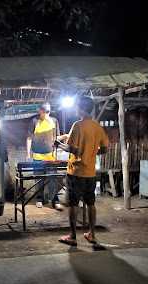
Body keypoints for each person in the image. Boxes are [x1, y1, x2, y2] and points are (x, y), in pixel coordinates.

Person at [56, 96, 109, 247]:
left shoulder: (77, 125)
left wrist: (59, 144)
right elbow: (104, 149)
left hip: (76, 172)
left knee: (73, 204)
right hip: (90, 173)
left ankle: (72, 236)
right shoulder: (97, 127)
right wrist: (91, 154)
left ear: (80, 108)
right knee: (91, 203)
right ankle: (92, 234)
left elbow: (72, 149)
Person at [26, 102, 63, 210]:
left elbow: (57, 138)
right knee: (38, 180)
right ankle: (39, 199)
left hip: (50, 156)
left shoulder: (54, 121)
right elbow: (29, 138)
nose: (46, 114)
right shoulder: (34, 121)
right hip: (37, 156)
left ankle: (55, 200)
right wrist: (28, 153)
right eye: (44, 112)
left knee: (52, 179)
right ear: (40, 111)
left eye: (48, 112)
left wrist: (60, 147)